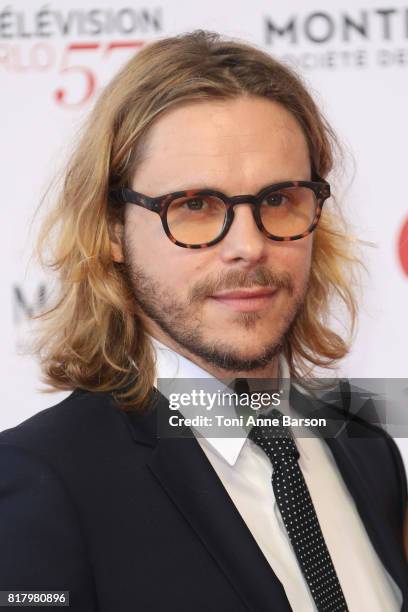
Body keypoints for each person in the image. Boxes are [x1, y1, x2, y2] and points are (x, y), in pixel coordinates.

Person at [0, 30, 407, 612]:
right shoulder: (42, 482)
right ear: (113, 229)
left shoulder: (363, 440)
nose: (248, 246)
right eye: (193, 206)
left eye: (278, 200)